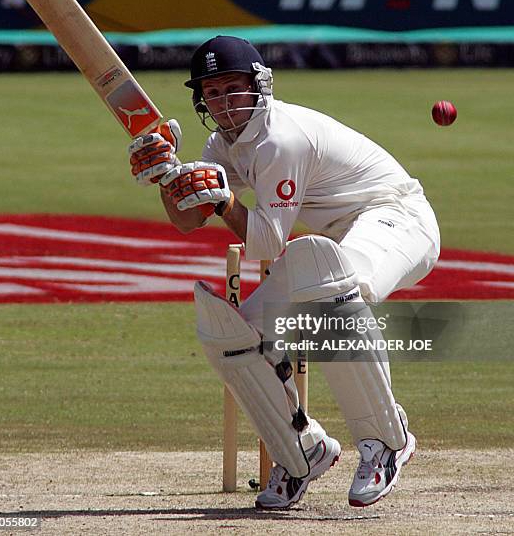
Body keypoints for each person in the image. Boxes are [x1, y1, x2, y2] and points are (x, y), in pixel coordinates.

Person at [128, 36, 440, 510]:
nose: (225, 101)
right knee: (232, 337)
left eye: (234, 88)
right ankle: (302, 450)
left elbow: (268, 242)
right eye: (213, 93)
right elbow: (188, 220)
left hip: (398, 217)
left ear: (260, 85)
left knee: (329, 279)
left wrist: (225, 200)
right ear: (201, 101)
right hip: (338, 241)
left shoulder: (281, 138)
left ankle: (385, 440)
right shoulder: (221, 145)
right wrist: (169, 178)